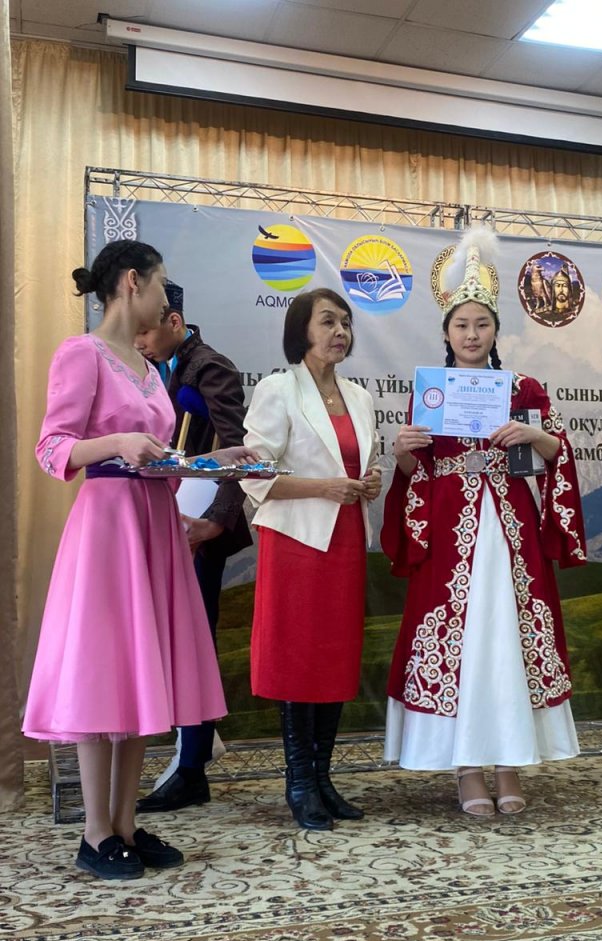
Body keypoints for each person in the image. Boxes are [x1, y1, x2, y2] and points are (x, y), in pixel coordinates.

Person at [23, 241, 256, 880]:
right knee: (105, 671)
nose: (164, 296)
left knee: (137, 673)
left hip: (153, 524)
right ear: (133, 282)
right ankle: (95, 833)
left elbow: (159, 459)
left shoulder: (149, 368)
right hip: (108, 528)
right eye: (160, 283)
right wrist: (116, 441)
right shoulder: (82, 353)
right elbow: (52, 448)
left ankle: (125, 824)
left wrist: (212, 462)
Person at [382, 228, 586, 816]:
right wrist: (402, 453)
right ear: (446, 332)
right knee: (463, 637)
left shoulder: (524, 388)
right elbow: (417, 473)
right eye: (461, 325)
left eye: (482, 325)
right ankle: (467, 767)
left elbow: (557, 455)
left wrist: (533, 435)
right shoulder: (431, 391)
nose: (471, 335)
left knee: (505, 635)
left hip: (509, 525)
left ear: (496, 330)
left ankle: (509, 760)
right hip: (449, 529)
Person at [240, 288, 381, 831]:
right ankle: (298, 781)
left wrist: (371, 480)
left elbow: (364, 462)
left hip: (345, 537)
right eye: (327, 322)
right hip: (297, 541)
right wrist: (326, 487)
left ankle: (323, 778)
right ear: (302, 329)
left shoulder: (360, 396)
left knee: (334, 658)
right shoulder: (278, 388)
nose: (340, 331)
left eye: (345, 322)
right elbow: (255, 474)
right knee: (298, 658)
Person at [134, 282, 252, 813]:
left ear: (174, 321)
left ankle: (192, 768)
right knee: (170, 635)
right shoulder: (153, 368)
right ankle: (197, 745)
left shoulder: (211, 367)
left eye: (146, 330)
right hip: (167, 515)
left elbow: (238, 451)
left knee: (193, 638)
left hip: (199, 523)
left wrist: (215, 522)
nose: (138, 341)